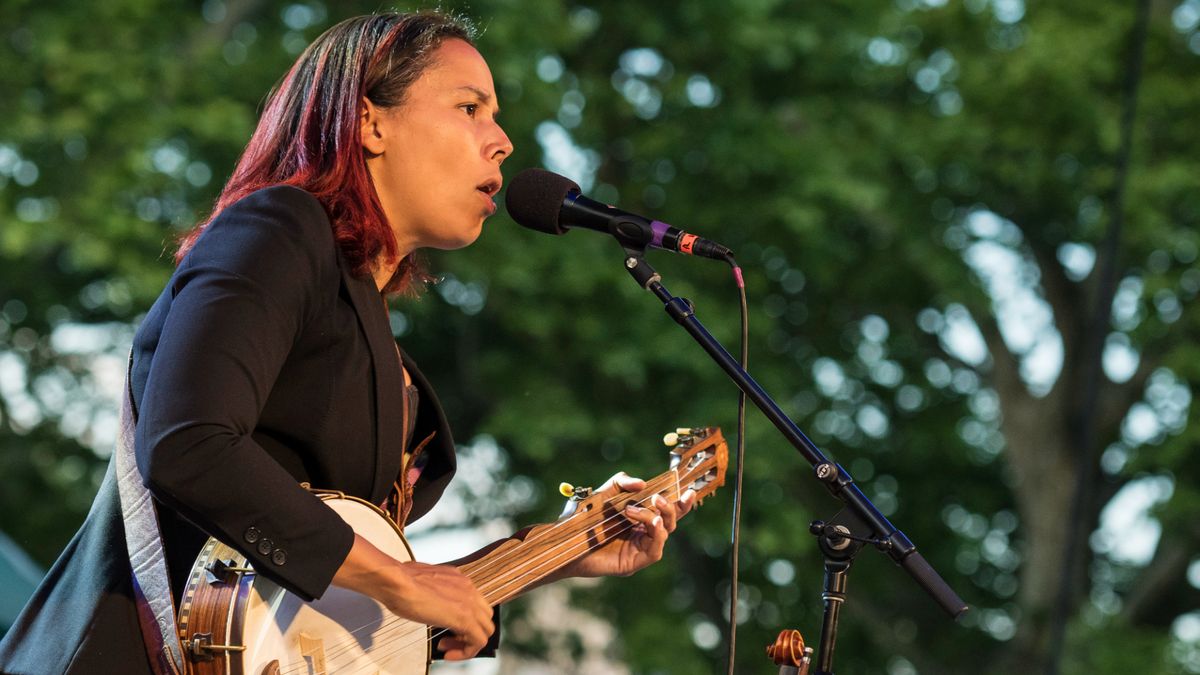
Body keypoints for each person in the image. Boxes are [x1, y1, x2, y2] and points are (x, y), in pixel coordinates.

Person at [0, 11, 693, 673]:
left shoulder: (379, 349)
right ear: (370, 121)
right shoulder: (279, 226)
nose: (502, 139)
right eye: (469, 107)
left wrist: (558, 550)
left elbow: (323, 605)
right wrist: (394, 577)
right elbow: (188, 443)